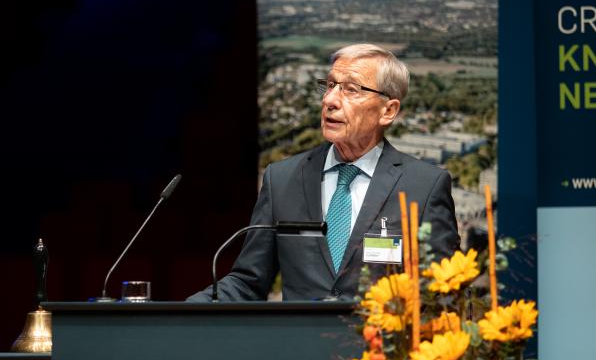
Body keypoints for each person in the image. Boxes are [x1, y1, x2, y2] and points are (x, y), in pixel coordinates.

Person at [188, 44, 460, 302]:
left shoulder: (424, 186)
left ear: (388, 111)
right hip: (299, 348)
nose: (329, 100)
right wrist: (177, 313)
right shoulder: (281, 179)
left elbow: (444, 292)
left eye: (351, 90)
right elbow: (248, 282)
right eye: (330, 86)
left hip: (381, 348)